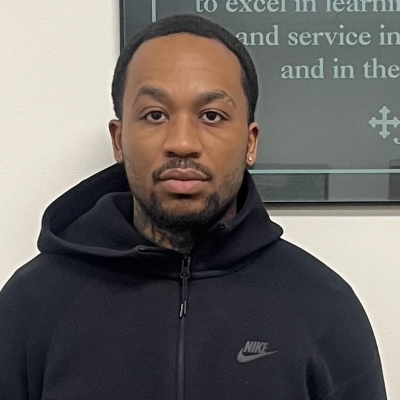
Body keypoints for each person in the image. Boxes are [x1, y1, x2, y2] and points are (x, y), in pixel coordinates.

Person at [0, 14, 387, 400]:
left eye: (211, 116)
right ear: (119, 141)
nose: (182, 143)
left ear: (250, 142)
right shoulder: (31, 306)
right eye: (155, 115)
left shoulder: (325, 307)